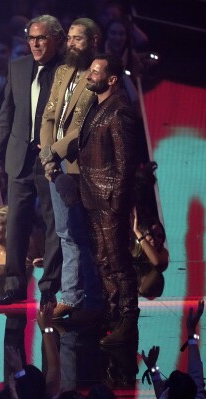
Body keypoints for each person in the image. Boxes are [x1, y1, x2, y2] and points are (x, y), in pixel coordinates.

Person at [0, 15, 65, 306]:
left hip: (51, 159)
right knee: (16, 223)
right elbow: (6, 111)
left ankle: (49, 286)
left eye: (41, 38)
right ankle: (14, 285)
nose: (35, 43)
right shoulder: (18, 67)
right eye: (31, 38)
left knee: (53, 222)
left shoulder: (66, 70)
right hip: (19, 156)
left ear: (56, 39)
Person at [39, 18, 102, 318]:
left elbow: (85, 125)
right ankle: (73, 296)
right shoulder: (62, 72)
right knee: (65, 232)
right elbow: (49, 117)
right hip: (55, 162)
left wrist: (55, 151)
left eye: (79, 39)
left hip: (82, 164)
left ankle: (91, 297)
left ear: (93, 41)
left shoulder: (98, 74)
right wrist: (48, 156)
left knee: (83, 232)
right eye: (71, 38)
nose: (72, 44)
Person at [77, 54, 138, 345]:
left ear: (111, 79)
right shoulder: (95, 105)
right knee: (103, 262)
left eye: (95, 72)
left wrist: (117, 202)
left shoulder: (120, 111)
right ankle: (113, 317)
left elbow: (126, 163)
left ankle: (128, 320)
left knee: (119, 261)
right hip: (93, 198)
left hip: (110, 200)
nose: (89, 75)